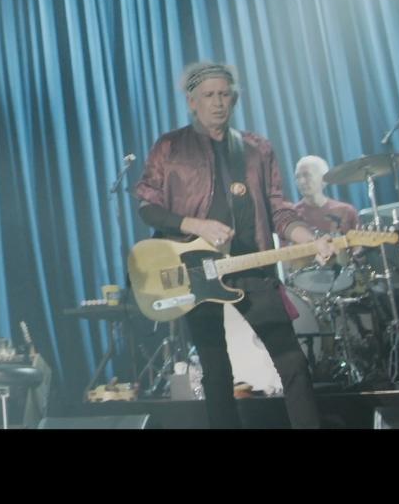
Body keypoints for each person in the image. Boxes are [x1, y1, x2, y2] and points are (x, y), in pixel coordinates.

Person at [133, 60, 332, 428]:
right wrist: (195, 225)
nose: (217, 102)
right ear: (192, 102)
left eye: (224, 94)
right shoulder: (170, 146)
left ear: (235, 99)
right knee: (215, 368)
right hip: (195, 269)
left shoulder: (256, 148)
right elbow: (148, 205)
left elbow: (279, 209)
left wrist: (310, 239)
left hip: (250, 265)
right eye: (208, 95)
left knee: (292, 362)